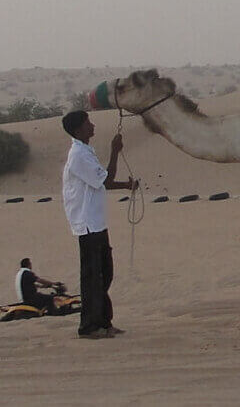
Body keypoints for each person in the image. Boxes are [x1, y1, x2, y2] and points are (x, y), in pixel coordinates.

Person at [61, 110, 137, 339]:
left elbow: (100, 182)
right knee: (93, 276)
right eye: (87, 123)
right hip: (86, 224)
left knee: (105, 273)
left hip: (96, 222)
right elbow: (105, 179)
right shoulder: (78, 155)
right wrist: (115, 151)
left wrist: (126, 185)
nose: (92, 126)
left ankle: (104, 321)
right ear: (78, 130)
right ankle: (89, 326)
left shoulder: (86, 152)